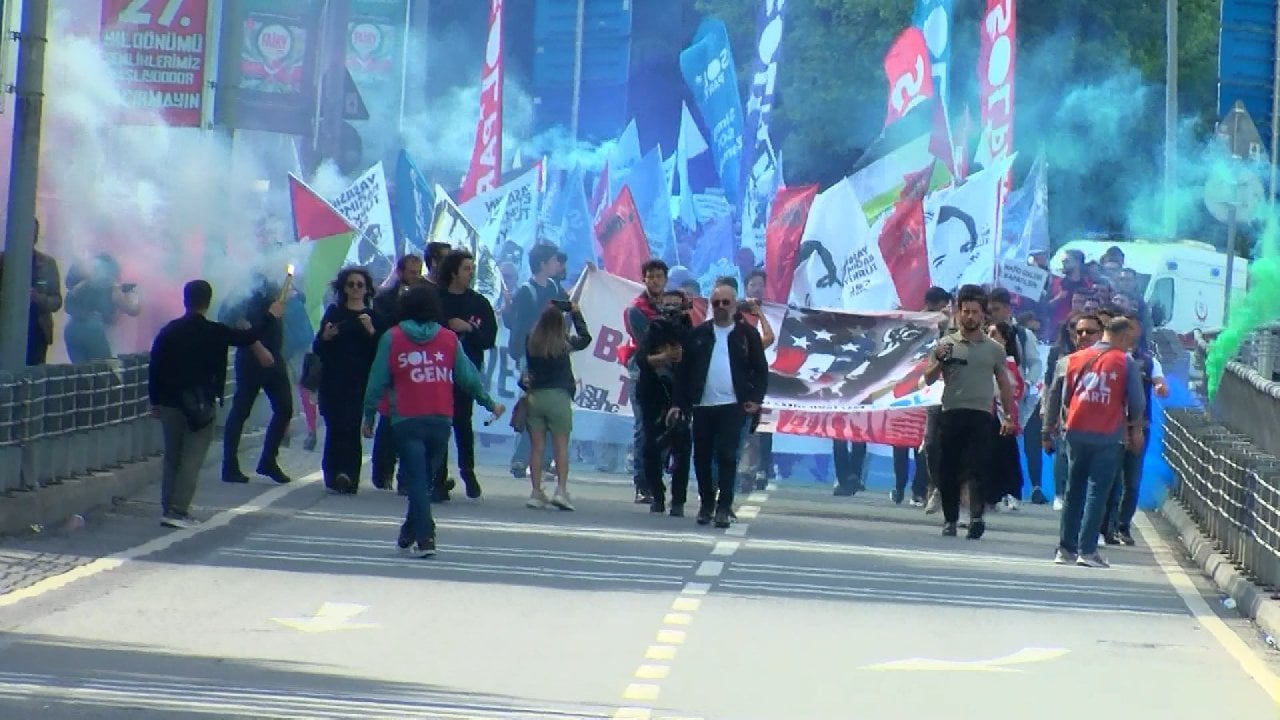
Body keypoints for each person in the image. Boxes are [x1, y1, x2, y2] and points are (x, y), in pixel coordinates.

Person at [362, 286, 504, 558]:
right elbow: (468, 377)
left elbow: (377, 380)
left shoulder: (392, 338)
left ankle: (425, 536)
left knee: (417, 479)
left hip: (406, 417)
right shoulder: (449, 339)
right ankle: (410, 531)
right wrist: (489, 402)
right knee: (423, 480)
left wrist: (369, 414)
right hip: (440, 418)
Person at [149, 280, 282, 529]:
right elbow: (248, 337)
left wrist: (154, 400)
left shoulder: (169, 331)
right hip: (201, 402)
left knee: (172, 457)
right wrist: (271, 317)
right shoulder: (215, 331)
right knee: (192, 457)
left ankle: (168, 506)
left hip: (169, 401)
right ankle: (178, 510)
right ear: (208, 302)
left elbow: (155, 367)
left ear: (185, 299)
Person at [1043, 316, 1146, 568]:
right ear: (1122, 336)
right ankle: (1087, 551)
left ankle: (1065, 549)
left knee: (1073, 491)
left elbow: (1056, 396)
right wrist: (1135, 430)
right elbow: (1136, 402)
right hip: (1107, 433)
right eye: (1128, 340)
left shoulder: (1070, 360)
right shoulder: (1125, 361)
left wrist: (1049, 429)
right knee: (1096, 492)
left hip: (1074, 431)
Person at [923, 284, 1017, 539]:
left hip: (981, 416)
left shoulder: (994, 349)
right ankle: (950, 520)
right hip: (951, 412)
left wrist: (1008, 416)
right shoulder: (946, 344)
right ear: (959, 313)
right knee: (949, 470)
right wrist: (939, 360)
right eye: (966, 311)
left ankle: (976, 517)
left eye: (975, 312)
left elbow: (1005, 385)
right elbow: (928, 379)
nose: (970, 317)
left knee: (977, 469)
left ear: (983, 315)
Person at [674, 284, 769, 529]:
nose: (721, 308)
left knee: (728, 456)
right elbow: (683, 373)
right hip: (702, 406)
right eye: (716, 303)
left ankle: (724, 507)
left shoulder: (747, 335)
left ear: (734, 305)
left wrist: (755, 400)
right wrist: (679, 404)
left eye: (726, 303)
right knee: (703, 456)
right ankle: (707, 504)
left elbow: (760, 371)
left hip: (733, 406)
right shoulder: (699, 334)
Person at [436, 249, 498, 500]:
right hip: (436, 371)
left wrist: (469, 328)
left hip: (466, 370)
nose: (470, 273)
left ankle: (468, 471)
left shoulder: (478, 302)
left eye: (472, 269)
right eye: (465, 269)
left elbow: (488, 338)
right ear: (453, 271)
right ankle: (437, 476)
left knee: (463, 422)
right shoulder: (436, 299)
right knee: (439, 424)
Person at [313, 267, 382, 493]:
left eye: (359, 285)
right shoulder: (334, 312)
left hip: (359, 380)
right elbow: (318, 347)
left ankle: (350, 475)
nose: (355, 288)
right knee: (335, 426)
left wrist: (372, 331)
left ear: (366, 289)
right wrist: (326, 336)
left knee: (351, 426)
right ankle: (333, 474)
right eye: (351, 284)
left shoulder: (373, 317)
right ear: (343, 287)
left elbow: (380, 350)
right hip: (333, 378)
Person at [220, 275, 293, 486]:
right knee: (241, 410)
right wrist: (258, 347)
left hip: (275, 354)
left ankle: (268, 460)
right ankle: (230, 465)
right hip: (252, 356)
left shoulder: (272, 284)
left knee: (285, 408)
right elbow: (237, 319)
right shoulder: (245, 284)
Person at [504, 244, 568, 480]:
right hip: (530, 359)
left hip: (551, 357)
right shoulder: (525, 292)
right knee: (532, 409)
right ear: (542, 264)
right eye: (553, 260)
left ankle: (535, 460)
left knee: (549, 409)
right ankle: (522, 460)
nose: (557, 264)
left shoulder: (553, 287)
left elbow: (568, 307)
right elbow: (517, 329)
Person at [523, 302, 592, 511]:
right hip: (559, 397)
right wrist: (576, 311)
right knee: (560, 447)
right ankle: (560, 491)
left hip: (535, 397)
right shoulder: (563, 343)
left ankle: (536, 492)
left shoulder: (531, 341)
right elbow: (586, 339)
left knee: (536, 447)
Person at [637, 290, 694, 516]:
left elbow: (694, 368)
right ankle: (657, 496)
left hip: (680, 397)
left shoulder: (692, 332)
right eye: (666, 305)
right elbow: (641, 360)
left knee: (681, 449)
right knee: (651, 448)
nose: (670, 310)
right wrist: (662, 358)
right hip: (653, 395)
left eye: (675, 306)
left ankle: (678, 500)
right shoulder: (654, 328)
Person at [620, 258, 668, 504]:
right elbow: (647, 343)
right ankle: (642, 483)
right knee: (644, 429)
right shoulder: (635, 310)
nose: (655, 280)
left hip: (669, 377)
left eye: (659, 276)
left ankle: (656, 479)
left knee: (666, 430)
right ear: (644, 279)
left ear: (665, 280)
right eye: (650, 276)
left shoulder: (674, 307)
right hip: (643, 375)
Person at [0, 219, 63, 365]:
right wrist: (12, 296)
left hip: (37, 333)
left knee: (34, 377)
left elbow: (57, 302)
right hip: (6, 330)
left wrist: (37, 298)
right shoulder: (2, 261)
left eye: (32, 234)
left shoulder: (47, 263)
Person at [64, 252, 141, 362]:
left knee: (80, 374)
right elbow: (133, 309)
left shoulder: (79, 283)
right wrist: (134, 294)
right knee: (102, 373)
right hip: (94, 329)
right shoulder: (110, 285)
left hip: (71, 329)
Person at [986, 321, 1026, 511]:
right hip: (986, 414)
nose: (990, 335)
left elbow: (1015, 390)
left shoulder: (1008, 362)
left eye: (994, 333)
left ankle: (1008, 493)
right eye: (988, 332)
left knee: (1005, 454)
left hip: (1003, 416)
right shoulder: (984, 358)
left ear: (1005, 338)